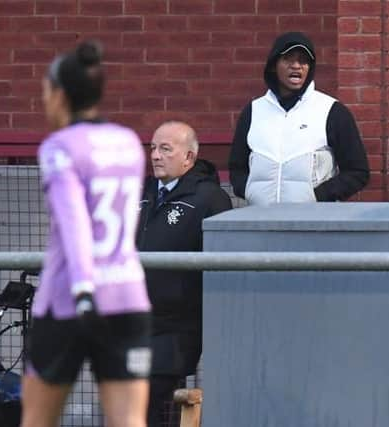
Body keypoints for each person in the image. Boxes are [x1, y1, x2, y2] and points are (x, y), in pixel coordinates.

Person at [23, 41, 152, 427]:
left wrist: (83, 290)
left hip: (70, 298)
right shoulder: (129, 141)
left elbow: (75, 220)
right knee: (130, 421)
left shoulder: (58, 148)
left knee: (37, 421)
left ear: (60, 95)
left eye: (46, 91)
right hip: (128, 296)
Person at [136, 121, 232, 426]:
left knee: (154, 398)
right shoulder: (141, 194)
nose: (155, 156)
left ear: (188, 158)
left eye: (165, 148)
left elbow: (221, 263)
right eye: (152, 148)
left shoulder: (209, 199)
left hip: (176, 327)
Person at [229, 31, 370, 205]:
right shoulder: (253, 111)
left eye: (303, 60)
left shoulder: (332, 111)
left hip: (314, 224)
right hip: (262, 221)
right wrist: (251, 191)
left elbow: (358, 172)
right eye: (288, 59)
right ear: (274, 65)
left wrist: (318, 196)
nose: (296, 66)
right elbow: (237, 168)